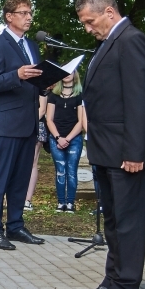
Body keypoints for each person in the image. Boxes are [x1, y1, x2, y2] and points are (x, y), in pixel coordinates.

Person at [75, 0, 145, 289]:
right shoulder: (108, 43)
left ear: (109, 12)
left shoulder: (132, 40)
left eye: (90, 21)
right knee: (112, 220)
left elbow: (141, 100)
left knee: (128, 222)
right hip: (106, 150)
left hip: (127, 153)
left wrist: (135, 152)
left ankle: (125, 287)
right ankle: (111, 280)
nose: (87, 28)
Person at [0, 0, 46, 250]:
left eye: (30, 12)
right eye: (23, 12)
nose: (29, 17)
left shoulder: (31, 45)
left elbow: (34, 79)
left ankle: (16, 225)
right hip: (6, 122)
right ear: (9, 16)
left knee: (21, 178)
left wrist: (45, 84)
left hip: (28, 122)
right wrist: (16, 75)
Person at [45, 71, 84, 212]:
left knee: (72, 171)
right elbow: (49, 119)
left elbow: (81, 121)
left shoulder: (80, 95)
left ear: (75, 75)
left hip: (74, 139)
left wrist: (67, 139)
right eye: (65, 72)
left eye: (71, 72)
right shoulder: (53, 95)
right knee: (60, 171)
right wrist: (58, 138)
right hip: (56, 138)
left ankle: (70, 203)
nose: (67, 74)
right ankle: (61, 202)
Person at [24, 95, 48, 211]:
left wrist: (28, 123)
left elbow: (42, 109)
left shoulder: (39, 85)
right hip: (19, 127)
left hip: (36, 126)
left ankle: (27, 200)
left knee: (32, 163)